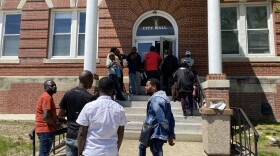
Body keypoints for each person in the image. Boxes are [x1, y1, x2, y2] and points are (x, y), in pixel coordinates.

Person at [77, 77, 127, 156]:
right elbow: (120, 133)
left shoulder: (89, 107)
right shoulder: (119, 109)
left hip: (91, 151)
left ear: (98, 89)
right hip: (111, 151)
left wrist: (79, 152)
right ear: (112, 90)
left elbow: (82, 133)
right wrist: (116, 150)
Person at [58, 70, 99, 156]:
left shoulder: (68, 93)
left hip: (70, 135)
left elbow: (60, 114)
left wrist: (69, 112)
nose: (92, 83)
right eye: (91, 80)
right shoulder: (90, 97)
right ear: (88, 81)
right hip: (83, 137)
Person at [139, 78, 175, 156]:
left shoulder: (155, 99)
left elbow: (161, 117)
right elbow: (171, 118)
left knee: (156, 151)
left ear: (154, 87)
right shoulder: (165, 99)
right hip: (155, 130)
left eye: (147, 85)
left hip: (156, 131)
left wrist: (168, 131)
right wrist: (171, 134)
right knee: (142, 146)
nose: (145, 87)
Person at [35, 80, 60, 156]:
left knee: (45, 152)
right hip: (46, 130)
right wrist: (55, 126)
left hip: (45, 130)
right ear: (45, 88)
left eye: (55, 85)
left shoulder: (47, 97)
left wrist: (57, 118)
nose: (54, 87)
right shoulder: (47, 97)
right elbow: (46, 116)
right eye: (52, 86)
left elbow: (48, 113)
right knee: (44, 153)